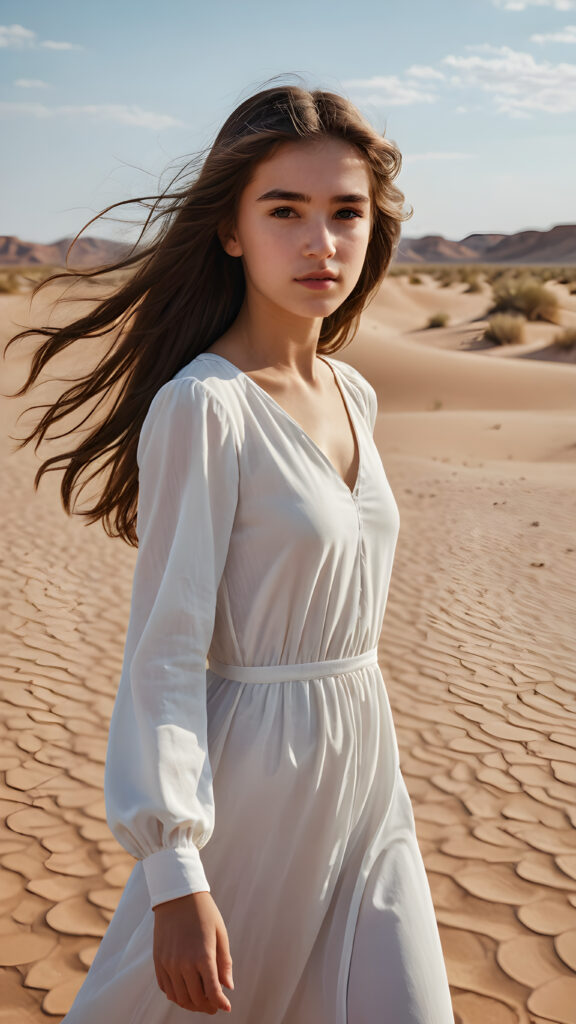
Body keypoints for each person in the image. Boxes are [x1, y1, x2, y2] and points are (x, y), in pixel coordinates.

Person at [6, 82, 455, 1022]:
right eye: (284, 211)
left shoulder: (354, 394)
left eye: (346, 213)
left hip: (367, 770)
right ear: (232, 230)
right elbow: (166, 647)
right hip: (250, 787)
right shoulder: (206, 406)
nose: (320, 242)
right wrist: (174, 871)